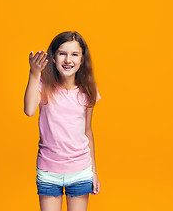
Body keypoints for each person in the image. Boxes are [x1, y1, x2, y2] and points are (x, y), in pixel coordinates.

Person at [24, 31, 101, 211]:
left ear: (82, 60)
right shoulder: (43, 85)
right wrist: (34, 74)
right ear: (52, 57)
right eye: (62, 53)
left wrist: (94, 172)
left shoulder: (87, 90)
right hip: (49, 172)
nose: (68, 59)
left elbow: (87, 131)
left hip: (81, 170)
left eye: (74, 54)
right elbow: (28, 110)